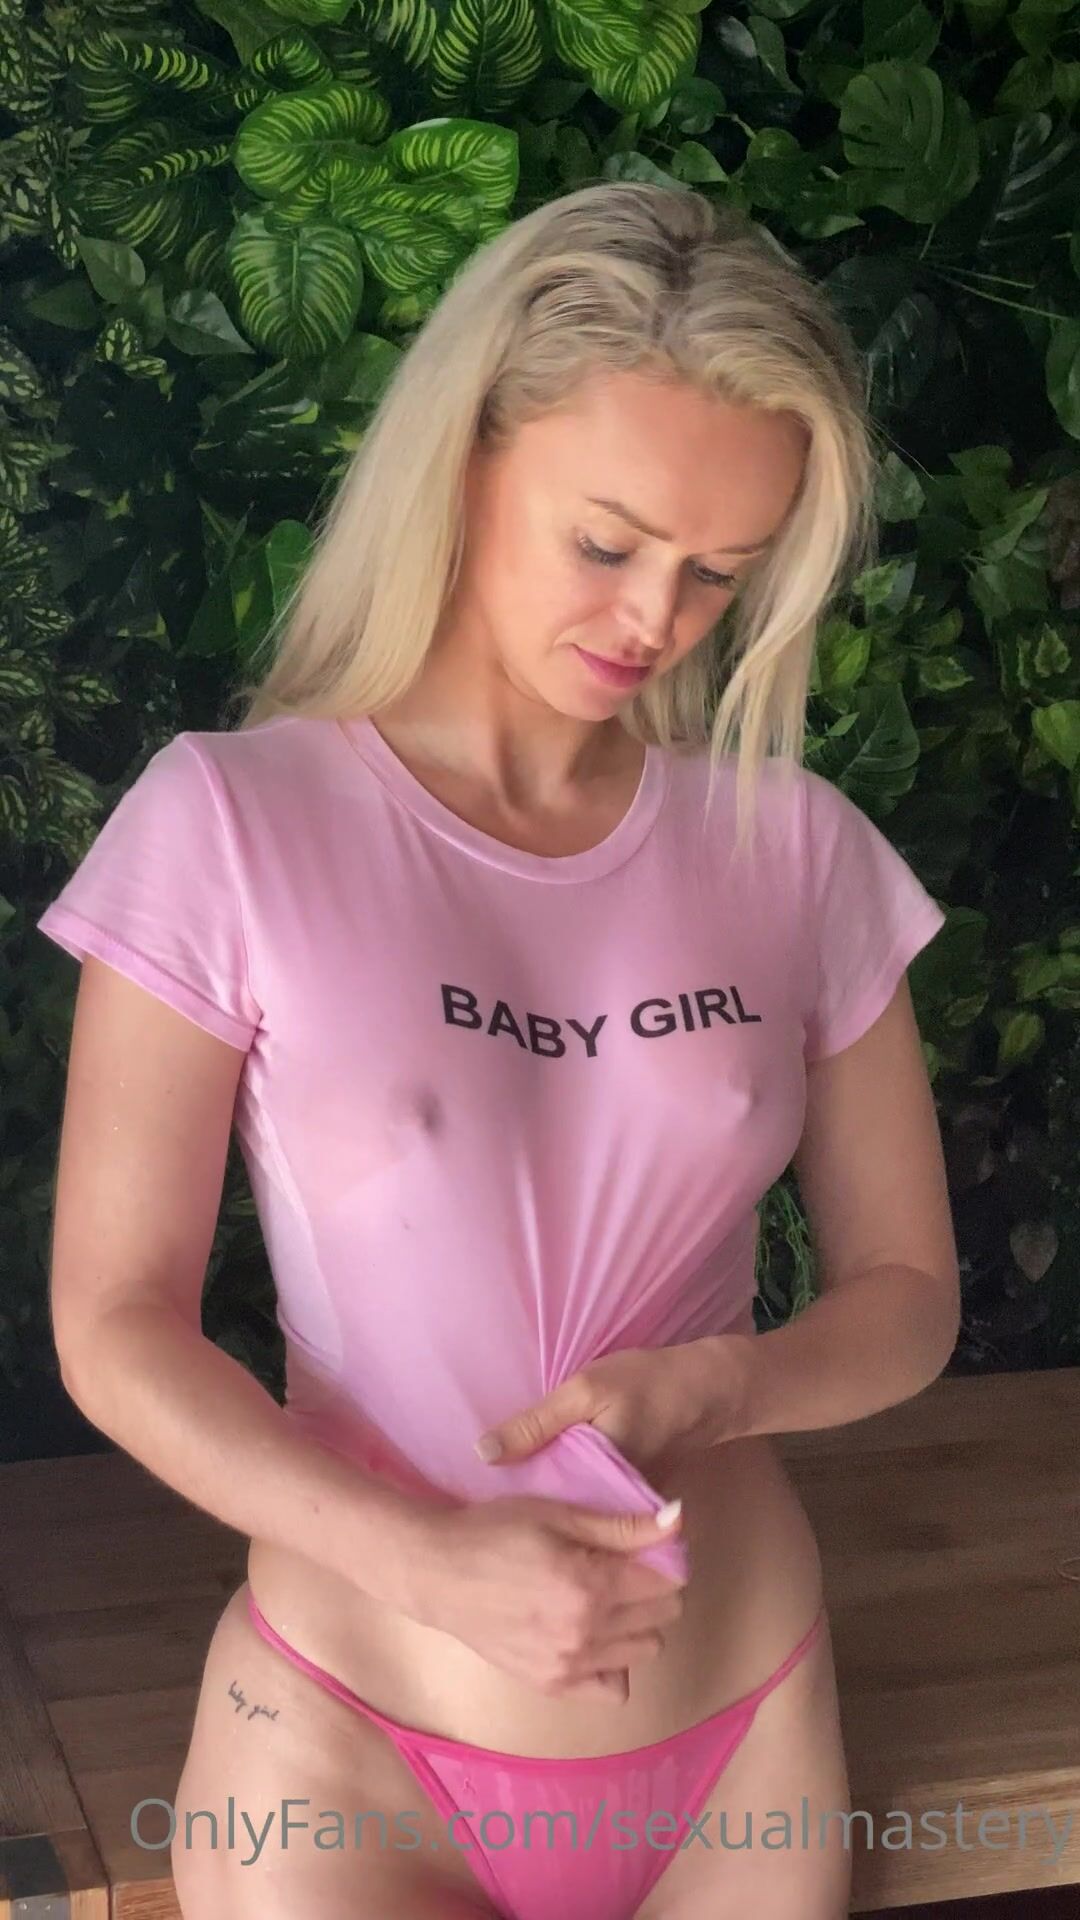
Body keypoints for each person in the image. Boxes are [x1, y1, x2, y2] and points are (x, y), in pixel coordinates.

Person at [38, 182, 960, 1920]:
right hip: (354, 1751)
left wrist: (723, 1386)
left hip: (743, 1739)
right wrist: (422, 1559)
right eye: (607, 543)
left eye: (718, 573)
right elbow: (114, 1323)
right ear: (466, 459)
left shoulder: (796, 851)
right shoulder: (232, 825)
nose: (655, 618)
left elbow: (909, 1296)